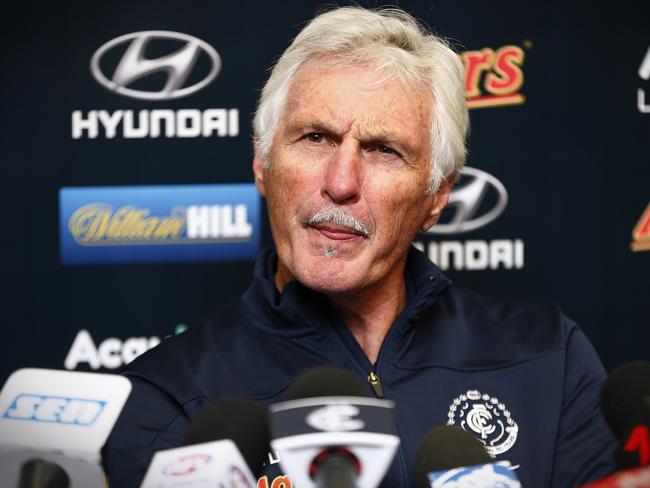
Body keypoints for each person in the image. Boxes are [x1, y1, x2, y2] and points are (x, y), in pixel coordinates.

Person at [103, 6, 616, 487]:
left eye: (383, 150)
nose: (341, 182)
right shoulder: (165, 395)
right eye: (315, 139)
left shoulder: (549, 356)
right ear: (262, 163)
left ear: (436, 195)